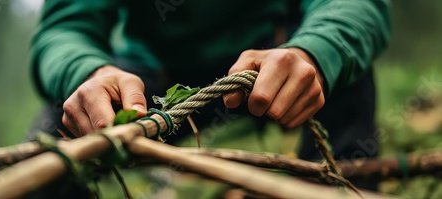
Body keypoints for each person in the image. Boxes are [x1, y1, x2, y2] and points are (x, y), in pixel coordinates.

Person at [29, 0, 391, 195]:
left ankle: (341, 186)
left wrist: (315, 51)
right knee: (61, 134)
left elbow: (356, 5)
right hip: (150, 78)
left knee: (337, 68)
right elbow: (66, 28)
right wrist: (89, 72)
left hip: (273, 60)